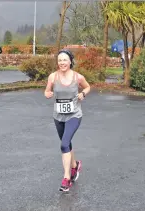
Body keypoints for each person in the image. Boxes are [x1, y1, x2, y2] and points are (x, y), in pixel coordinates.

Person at [44, 49, 91, 192]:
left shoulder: (78, 77)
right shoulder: (53, 77)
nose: (62, 63)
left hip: (74, 115)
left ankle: (66, 179)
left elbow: (88, 87)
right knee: (67, 143)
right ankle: (75, 165)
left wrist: (83, 93)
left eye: (65, 60)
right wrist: (48, 93)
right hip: (58, 116)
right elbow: (46, 91)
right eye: (59, 60)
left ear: (70, 61)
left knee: (64, 144)